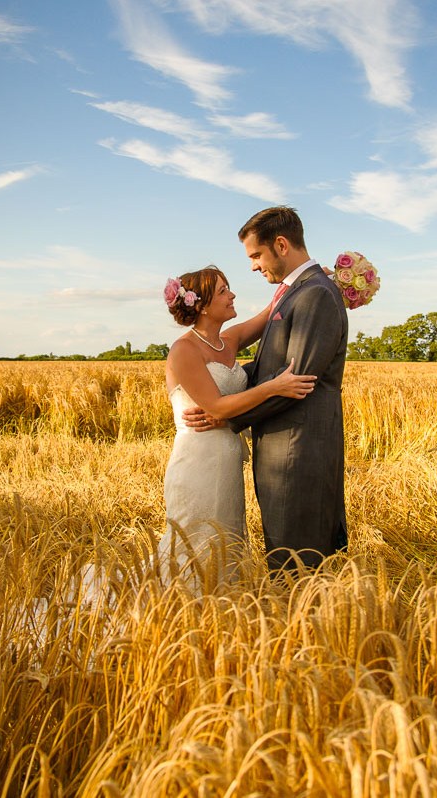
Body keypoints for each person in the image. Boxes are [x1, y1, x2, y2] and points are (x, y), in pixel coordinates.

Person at [185, 207, 348, 571]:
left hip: (298, 451)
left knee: (296, 566)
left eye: (256, 255)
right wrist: (219, 397)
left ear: (281, 244)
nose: (254, 266)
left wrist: (225, 415)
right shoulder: (295, 293)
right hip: (282, 449)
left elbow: (296, 381)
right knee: (286, 559)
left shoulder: (315, 294)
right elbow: (266, 371)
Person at [159, 265, 317, 582]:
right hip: (197, 464)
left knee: (225, 542)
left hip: (227, 461)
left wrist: (310, 277)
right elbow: (217, 406)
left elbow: (272, 309)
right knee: (197, 543)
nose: (232, 295)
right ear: (201, 305)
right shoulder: (184, 350)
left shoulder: (227, 342)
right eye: (223, 291)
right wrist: (274, 387)